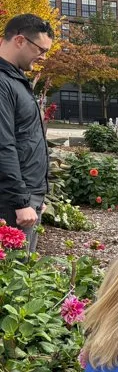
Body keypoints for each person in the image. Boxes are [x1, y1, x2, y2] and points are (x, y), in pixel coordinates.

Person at [0, 14, 54, 252]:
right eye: (41, 49)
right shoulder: (3, 83)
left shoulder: (16, 80)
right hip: (13, 204)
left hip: (26, 199)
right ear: (20, 41)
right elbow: (4, 145)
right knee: (14, 280)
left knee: (24, 276)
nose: (43, 57)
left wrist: (37, 197)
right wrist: (22, 201)